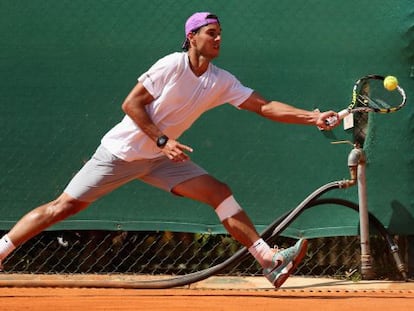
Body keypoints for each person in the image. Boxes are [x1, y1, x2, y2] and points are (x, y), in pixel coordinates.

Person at [0, 12, 339, 288]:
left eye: (220, 33)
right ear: (192, 37)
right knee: (63, 207)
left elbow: (263, 106)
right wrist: (162, 140)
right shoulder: (171, 66)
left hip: (160, 160)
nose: (218, 38)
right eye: (211, 33)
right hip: (122, 154)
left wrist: (313, 117)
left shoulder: (220, 80)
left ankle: (268, 261)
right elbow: (131, 104)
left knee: (219, 192)